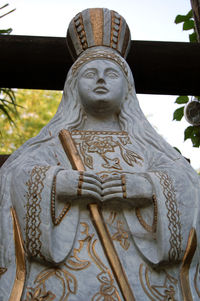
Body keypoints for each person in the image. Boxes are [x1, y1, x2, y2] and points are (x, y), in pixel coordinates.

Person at [0, 8, 200, 301]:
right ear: (73, 86)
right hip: (66, 284)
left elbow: (187, 186)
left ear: (127, 87)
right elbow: (14, 177)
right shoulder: (53, 143)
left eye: (112, 74)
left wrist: (146, 187)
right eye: (90, 74)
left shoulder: (146, 144)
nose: (101, 80)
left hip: (142, 283)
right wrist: (59, 183)